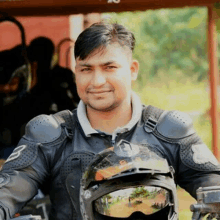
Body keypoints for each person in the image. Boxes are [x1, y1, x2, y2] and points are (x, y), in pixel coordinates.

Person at [0, 21, 220, 220]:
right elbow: (8, 191)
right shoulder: (49, 134)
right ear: (76, 71)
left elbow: (214, 186)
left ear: (132, 70)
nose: (97, 81)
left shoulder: (169, 129)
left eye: (109, 67)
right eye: (86, 69)